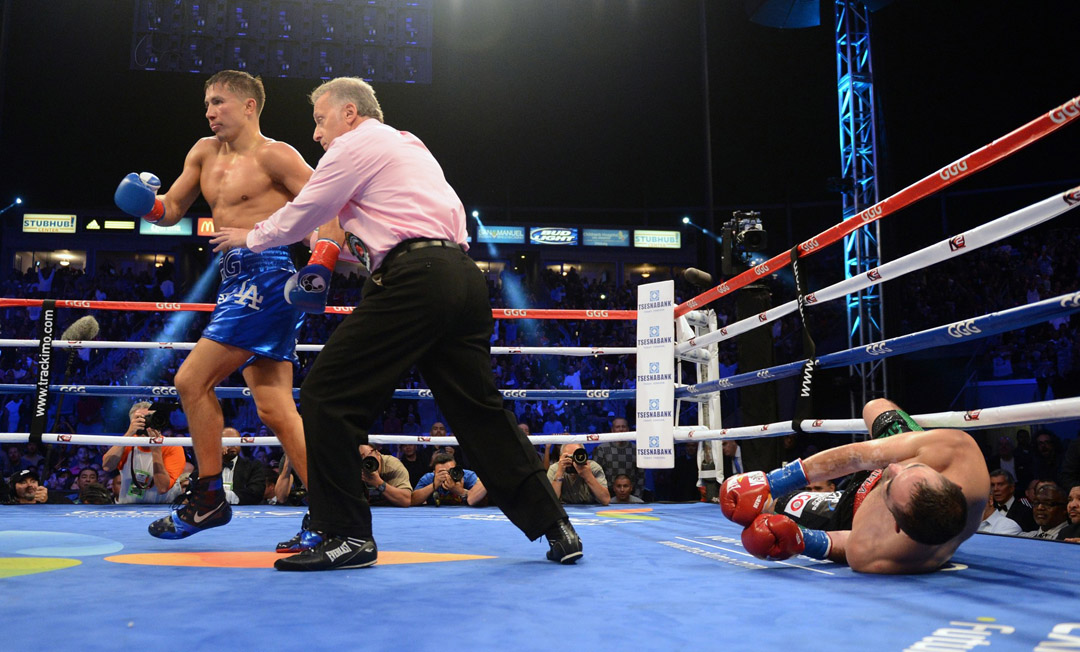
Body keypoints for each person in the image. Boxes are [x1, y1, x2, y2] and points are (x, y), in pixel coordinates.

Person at [210, 76, 578, 570]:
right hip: (462, 279)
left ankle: (346, 534)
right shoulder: (410, 146)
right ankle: (556, 525)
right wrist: (332, 261)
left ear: (349, 113)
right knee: (480, 413)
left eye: (320, 121)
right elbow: (383, 235)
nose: (317, 135)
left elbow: (305, 210)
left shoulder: (357, 143)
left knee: (326, 395)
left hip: (415, 278)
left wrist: (250, 237)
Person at [113, 70, 337, 541]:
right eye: (207, 105)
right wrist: (146, 204)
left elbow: (329, 206)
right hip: (232, 279)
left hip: (269, 274)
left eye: (219, 102)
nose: (210, 112)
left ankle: (209, 496)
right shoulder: (202, 152)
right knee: (275, 407)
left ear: (250, 105)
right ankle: (331, 511)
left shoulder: (276, 155)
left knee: (191, 379)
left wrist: (319, 263)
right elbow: (172, 208)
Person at [720, 398, 989, 574]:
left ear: (896, 524)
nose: (893, 468)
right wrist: (774, 481)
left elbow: (846, 543)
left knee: (772, 507)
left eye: (891, 482)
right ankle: (911, 453)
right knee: (875, 407)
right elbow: (860, 456)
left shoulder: (878, 554)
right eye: (913, 470)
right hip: (911, 448)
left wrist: (802, 541)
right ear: (949, 483)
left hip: (851, 508)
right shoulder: (960, 454)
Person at [101, 402, 186, 504]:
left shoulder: (172, 446)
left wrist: (156, 451)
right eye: (141, 419)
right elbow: (107, 466)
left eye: (149, 418)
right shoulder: (126, 443)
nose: (146, 423)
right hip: (128, 510)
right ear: (132, 422)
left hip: (163, 508)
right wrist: (129, 434)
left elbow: (162, 488)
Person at [411, 452, 487, 506]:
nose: (447, 475)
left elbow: (484, 501)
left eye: (450, 471)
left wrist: (461, 491)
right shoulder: (429, 478)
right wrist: (433, 486)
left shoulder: (468, 476)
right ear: (434, 472)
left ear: (456, 468)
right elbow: (412, 500)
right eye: (441, 472)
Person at [592, 417, 643, 498]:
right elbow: (595, 475)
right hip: (607, 495)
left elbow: (641, 476)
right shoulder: (602, 449)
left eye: (623, 427)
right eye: (618, 427)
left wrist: (637, 497)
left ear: (628, 429)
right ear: (612, 430)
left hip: (631, 496)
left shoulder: (636, 449)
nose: (621, 429)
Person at [221, 429, 269, 505]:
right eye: (228, 441)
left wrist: (226, 496)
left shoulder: (253, 466)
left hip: (244, 511)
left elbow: (256, 493)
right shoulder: (209, 465)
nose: (233, 445)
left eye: (236, 441)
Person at [8, 469, 73, 504]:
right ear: (13, 487)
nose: (30, 485)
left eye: (33, 481)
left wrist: (47, 501)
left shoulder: (51, 500)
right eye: (23, 482)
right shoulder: (6, 505)